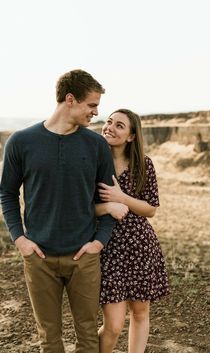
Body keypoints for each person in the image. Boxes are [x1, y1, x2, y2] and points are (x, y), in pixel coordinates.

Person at [0, 69, 127, 353]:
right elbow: (7, 193)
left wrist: (99, 242)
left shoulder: (96, 145)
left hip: (84, 256)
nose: (96, 112)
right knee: (49, 339)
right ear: (70, 99)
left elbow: (106, 197)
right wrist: (20, 239)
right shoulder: (21, 142)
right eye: (91, 105)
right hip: (39, 257)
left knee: (86, 335)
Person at [95, 109, 169, 353]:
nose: (110, 127)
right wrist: (108, 205)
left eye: (119, 125)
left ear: (131, 137)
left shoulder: (144, 164)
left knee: (140, 312)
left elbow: (150, 209)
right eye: (108, 122)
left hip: (140, 246)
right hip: (107, 247)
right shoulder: (93, 161)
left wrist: (121, 197)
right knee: (114, 325)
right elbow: (80, 209)